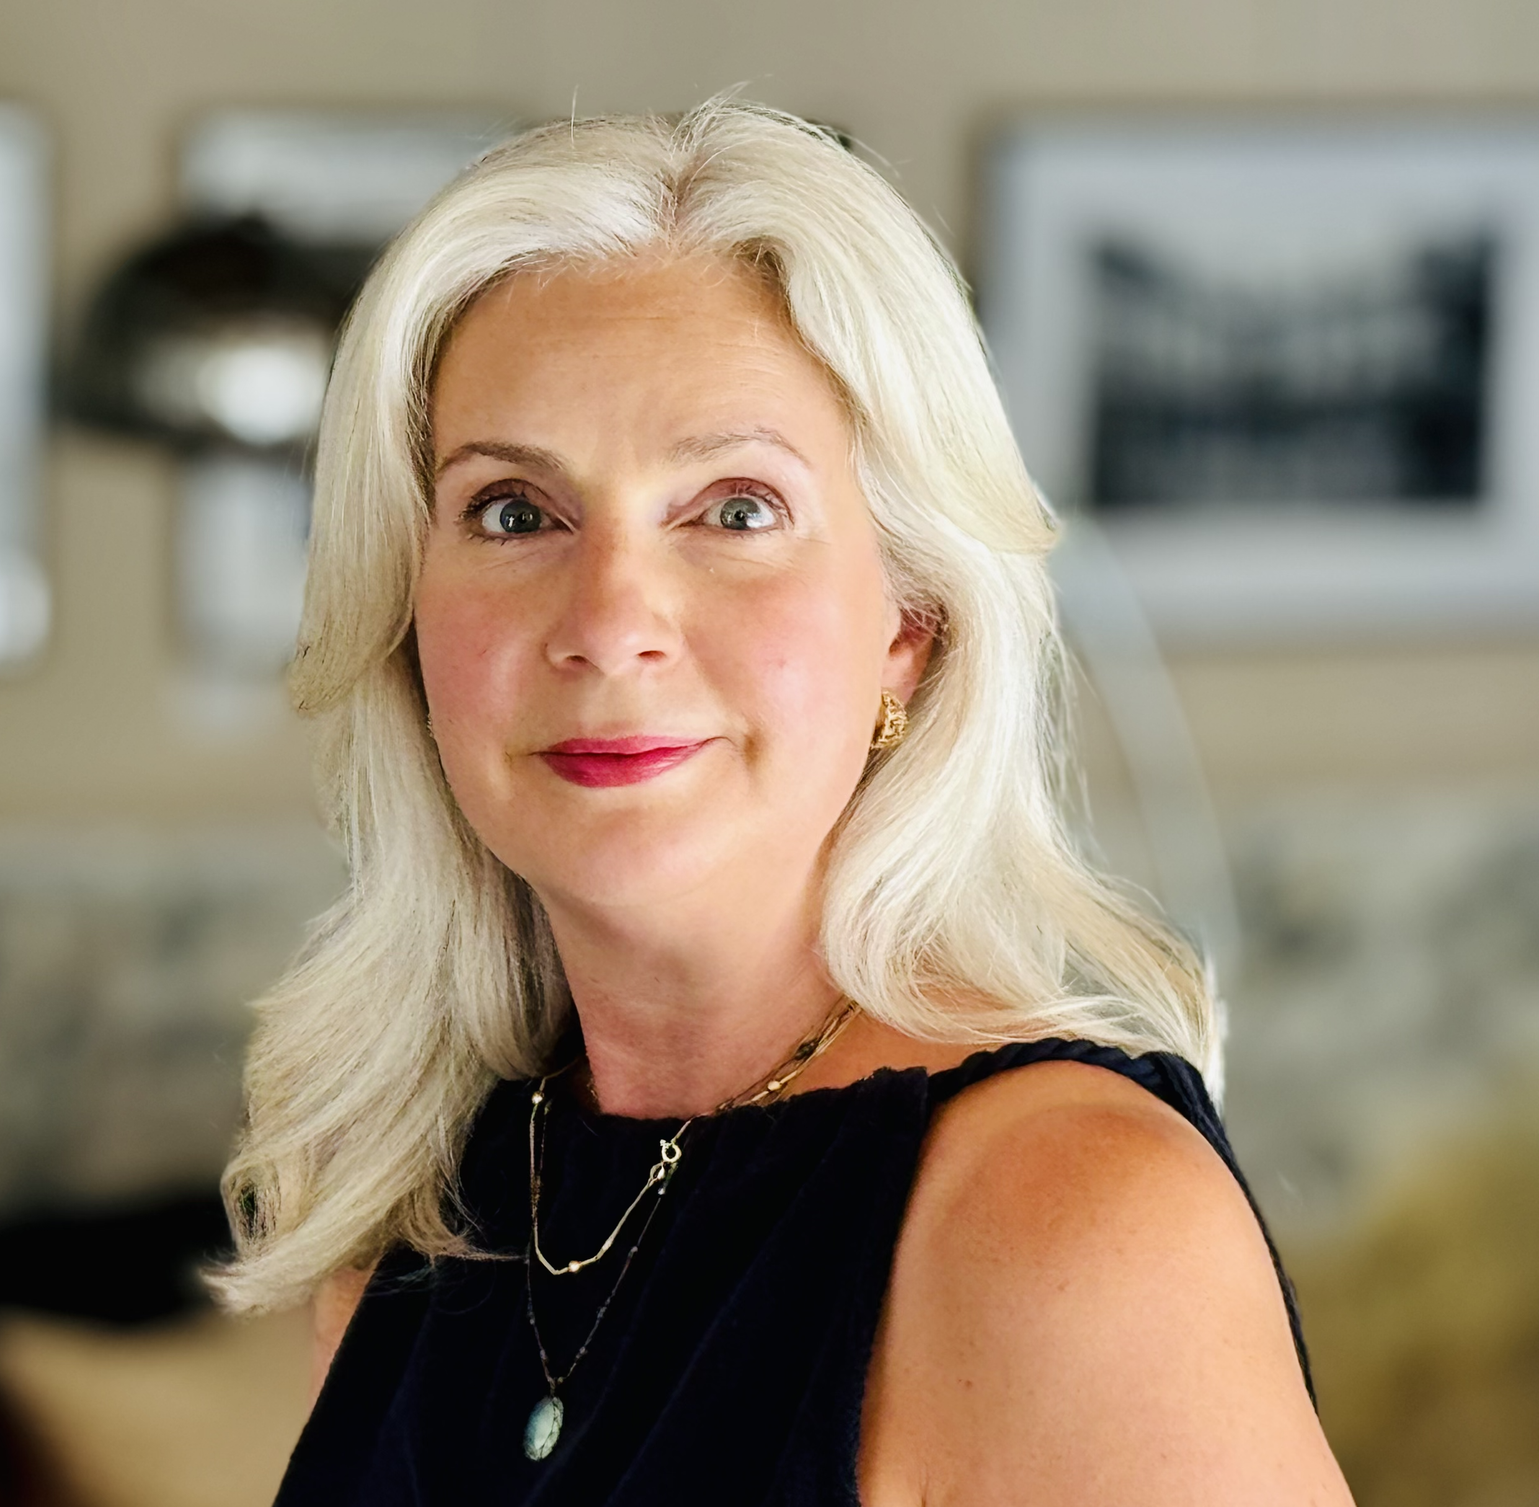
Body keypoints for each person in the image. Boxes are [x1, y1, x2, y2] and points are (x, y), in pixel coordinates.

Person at [214, 99, 1353, 1505]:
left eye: (735, 508)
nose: (610, 620)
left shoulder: (1068, 1224)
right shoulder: (418, 1238)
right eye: (515, 511)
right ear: (407, 613)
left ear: (910, 623)